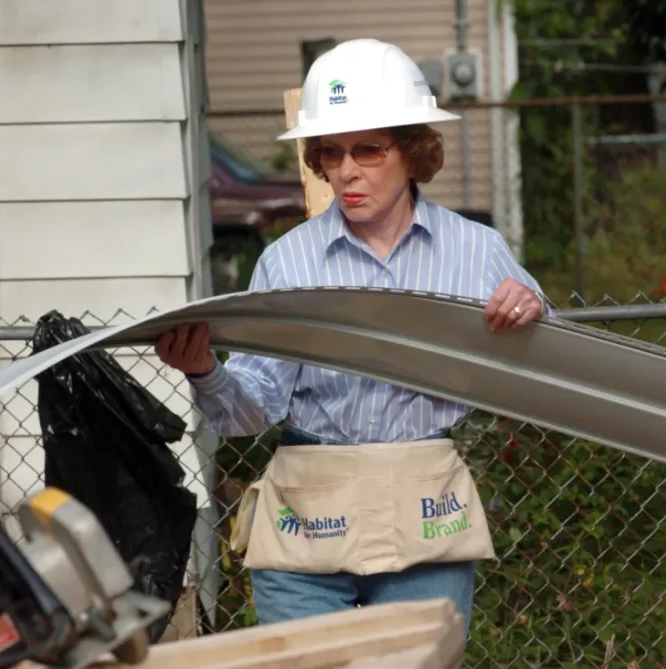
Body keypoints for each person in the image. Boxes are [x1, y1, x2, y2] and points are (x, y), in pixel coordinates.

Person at [156, 38, 549, 639]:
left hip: (426, 507)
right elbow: (252, 407)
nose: (347, 170)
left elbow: (549, 354)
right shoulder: (287, 263)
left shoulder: (477, 250)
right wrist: (206, 370)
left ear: (413, 151)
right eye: (332, 152)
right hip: (309, 512)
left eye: (368, 149)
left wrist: (532, 306)